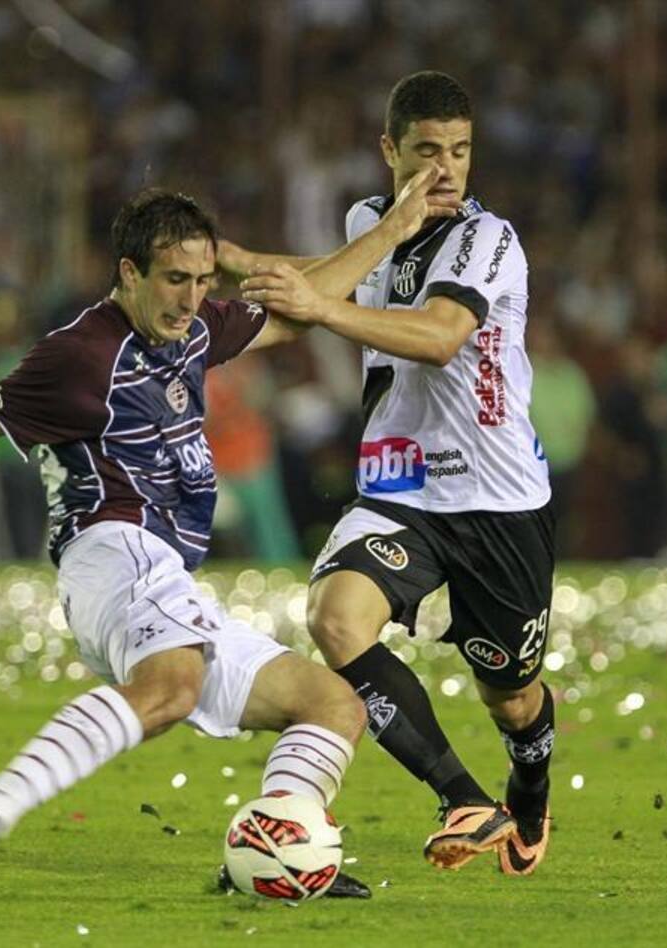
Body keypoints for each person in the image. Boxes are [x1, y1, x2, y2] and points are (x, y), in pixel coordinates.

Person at [0, 176, 456, 895]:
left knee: (332, 706)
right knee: (170, 687)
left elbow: (301, 313)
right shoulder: (80, 356)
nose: (190, 298)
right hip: (112, 551)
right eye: (175, 279)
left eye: (203, 280)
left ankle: (278, 848)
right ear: (129, 273)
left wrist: (390, 233)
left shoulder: (194, 327)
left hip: (165, 575)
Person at [226, 71, 557, 875]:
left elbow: (441, 334)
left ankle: (529, 785)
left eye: (459, 152)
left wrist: (317, 311)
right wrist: (235, 260)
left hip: (498, 499)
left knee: (510, 695)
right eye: (425, 153)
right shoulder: (371, 221)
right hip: (401, 485)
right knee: (336, 620)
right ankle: (461, 799)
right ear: (389, 151)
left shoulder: (489, 240)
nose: (444, 170)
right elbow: (338, 270)